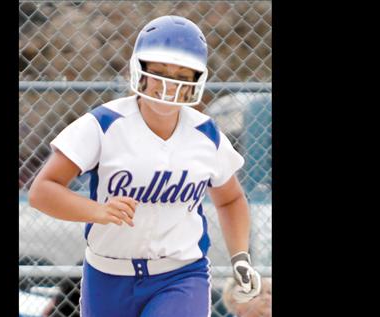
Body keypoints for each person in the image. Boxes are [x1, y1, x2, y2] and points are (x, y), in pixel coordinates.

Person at [29, 15, 261, 317]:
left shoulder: (206, 134)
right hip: (107, 274)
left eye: (181, 75)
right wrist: (97, 211)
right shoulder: (104, 123)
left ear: (196, 80)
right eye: (160, 72)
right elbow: (42, 191)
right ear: (140, 70)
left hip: (180, 274)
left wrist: (240, 257)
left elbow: (230, 199)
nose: (168, 86)